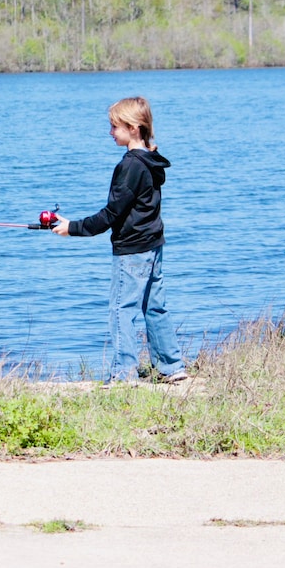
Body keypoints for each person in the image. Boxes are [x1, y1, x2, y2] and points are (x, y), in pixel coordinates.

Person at [52, 96, 188, 384]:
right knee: (155, 306)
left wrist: (72, 228)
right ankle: (172, 367)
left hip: (133, 250)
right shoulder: (151, 161)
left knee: (121, 310)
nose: (110, 132)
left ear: (134, 128)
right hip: (154, 245)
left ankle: (124, 376)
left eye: (115, 126)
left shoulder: (129, 166)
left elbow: (111, 214)